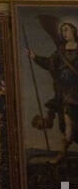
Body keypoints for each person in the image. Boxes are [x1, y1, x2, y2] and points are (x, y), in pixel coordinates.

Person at [29, 20, 78, 164]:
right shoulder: (61, 51)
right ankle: (61, 152)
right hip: (63, 91)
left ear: (74, 30)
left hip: (76, 90)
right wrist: (35, 58)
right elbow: (50, 63)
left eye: (67, 29)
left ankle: (61, 154)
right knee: (65, 124)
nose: (65, 33)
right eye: (62, 30)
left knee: (70, 123)